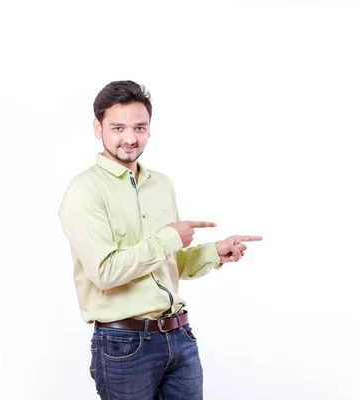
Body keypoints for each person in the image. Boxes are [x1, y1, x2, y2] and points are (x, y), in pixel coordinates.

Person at [58, 80, 262, 400]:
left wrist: (213, 252)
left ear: (150, 129)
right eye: (118, 127)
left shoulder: (161, 185)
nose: (130, 138)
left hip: (179, 337)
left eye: (140, 127)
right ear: (98, 128)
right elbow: (105, 272)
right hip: (124, 345)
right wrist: (169, 238)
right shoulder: (84, 191)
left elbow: (163, 263)